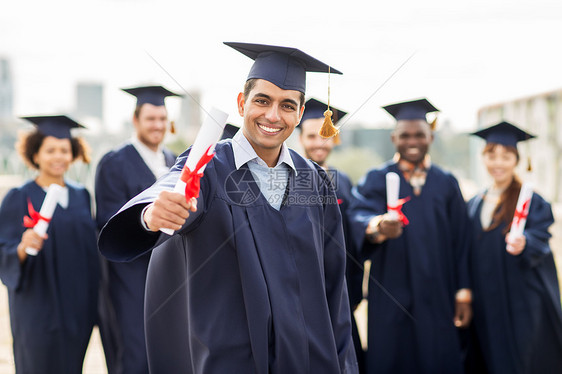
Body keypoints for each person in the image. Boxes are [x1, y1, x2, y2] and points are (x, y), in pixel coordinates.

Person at [98, 42, 358, 373]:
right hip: (232, 360)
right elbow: (173, 187)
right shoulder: (209, 165)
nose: (273, 115)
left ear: (300, 112)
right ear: (241, 102)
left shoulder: (316, 182)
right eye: (262, 101)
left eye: (287, 105)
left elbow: (335, 290)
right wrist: (151, 214)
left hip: (306, 360)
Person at [348, 98, 472, 374]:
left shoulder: (446, 182)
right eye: (405, 135)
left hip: (438, 291)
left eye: (419, 134)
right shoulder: (376, 178)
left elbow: (461, 240)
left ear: (431, 136)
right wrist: (378, 226)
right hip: (392, 289)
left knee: (436, 356)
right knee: (394, 357)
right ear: (394, 138)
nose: (412, 141)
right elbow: (358, 216)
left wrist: (463, 293)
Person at [0, 115, 99, 373]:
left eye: (64, 150)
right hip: (36, 307)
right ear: (36, 155)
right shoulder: (19, 197)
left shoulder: (81, 195)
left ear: (73, 153)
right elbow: (3, 250)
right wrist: (23, 246)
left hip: (77, 308)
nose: (59, 157)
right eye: (50, 150)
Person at [95, 85, 180, 373]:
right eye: (150, 119)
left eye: (162, 119)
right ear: (135, 120)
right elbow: (107, 221)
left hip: (169, 275)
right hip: (129, 277)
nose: (157, 125)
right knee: (135, 354)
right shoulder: (114, 162)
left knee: (166, 351)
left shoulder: (172, 161)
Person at [465, 121, 562, 374]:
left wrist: (525, 242)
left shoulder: (531, 201)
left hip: (521, 298)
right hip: (487, 298)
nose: (498, 163)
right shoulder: (474, 202)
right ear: (483, 157)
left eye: (506, 156)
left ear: (517, 159)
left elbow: (540, 237)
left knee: (523, 360)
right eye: (491, 155)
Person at [298, 98, 365, 373]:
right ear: (300, 137)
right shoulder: (288, 178)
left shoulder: (343, 181)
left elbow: (352, 235)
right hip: (303, 294)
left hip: (339, 292)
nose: (318, 143)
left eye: (324, 135)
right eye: (311, 136)